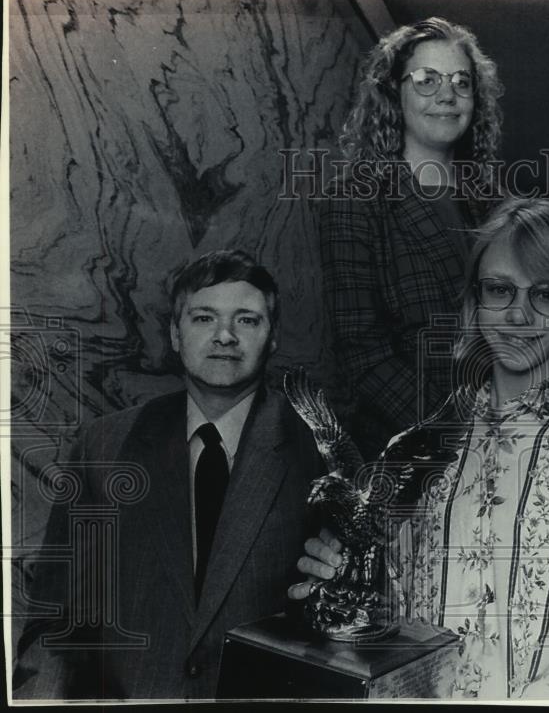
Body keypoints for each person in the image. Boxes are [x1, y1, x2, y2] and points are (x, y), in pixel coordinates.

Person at [292, 198, 549, 699]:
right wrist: (339, 580)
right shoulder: (420, 449)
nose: (518, 314)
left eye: (546, 294)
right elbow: (394, 634)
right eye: (499, 290)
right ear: (474, 302)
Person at [14, 251, 335, 699]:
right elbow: (56, 622)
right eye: (204, 318)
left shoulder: (319, 448)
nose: (224, 336)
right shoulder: (104, 446)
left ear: (273, 336)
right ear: (174, 334)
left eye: (246, 320)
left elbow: (347, 616)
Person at [321, 16, 504, 461]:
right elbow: (362, 353)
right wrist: (458, 434)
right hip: (406, 453)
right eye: (427, 80)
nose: (447, 94)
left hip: (503, 442)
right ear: (393, 92)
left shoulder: (495, 201)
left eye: (462, 82)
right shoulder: (355, 197)